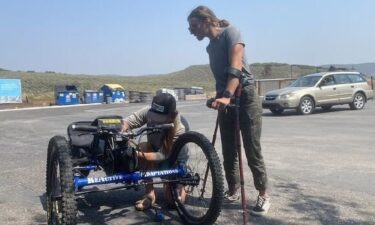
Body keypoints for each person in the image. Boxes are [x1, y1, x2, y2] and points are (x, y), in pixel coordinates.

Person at [187, 6, 271, 216]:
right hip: (226, 96)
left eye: (194, 26)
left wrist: (227, 96)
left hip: (245, 95)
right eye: (190, 28)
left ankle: (263, 193)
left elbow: (235, 68)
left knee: (252, 148)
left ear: (207, 21)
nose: (191, 31)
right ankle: (233, 189)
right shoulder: (210, 47)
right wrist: (219, 96)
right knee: (228, 150)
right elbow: (221, 79)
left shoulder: (231, 33)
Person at [121, 92, 186, 211]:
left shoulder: (179, 129)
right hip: (153, 150)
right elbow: (127, 122)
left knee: (174, 202)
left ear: (172, 116)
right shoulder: (148, 111)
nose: (155, 122)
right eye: (153, 117)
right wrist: (122, 128)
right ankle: (149, 195)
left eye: (160, 120)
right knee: (143, 147)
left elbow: (163, 155)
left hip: (172, 159)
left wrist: (137, 155)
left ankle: (181, 184)